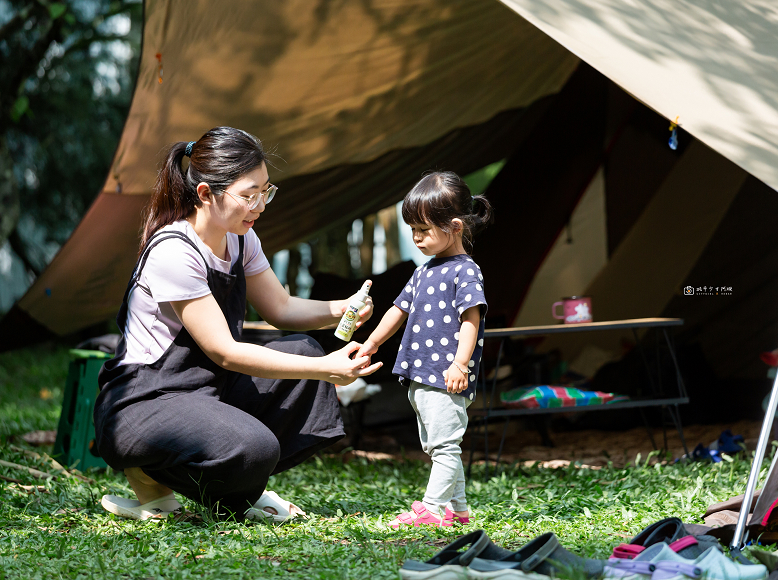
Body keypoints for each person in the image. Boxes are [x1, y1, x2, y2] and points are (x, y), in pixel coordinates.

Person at [94, 126, 382, 522]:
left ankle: (236, 486)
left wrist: (341, 307)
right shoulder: (174, 252)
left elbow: (280, 308)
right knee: (257, 445)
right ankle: (153, 472)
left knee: (303, 352)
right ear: (206, 194)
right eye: (248, 195)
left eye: (265, 191)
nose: (260, 205)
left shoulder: (242, 239)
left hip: (204, 390)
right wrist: (328, 370)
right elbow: (224, 351)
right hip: (144, 403)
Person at [356, 171, 492, 528]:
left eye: (424, 230)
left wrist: (460, 364)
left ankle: (432, 509)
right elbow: (397, 310)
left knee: (445, 447)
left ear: (456, 227)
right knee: (438, 446)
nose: (416, 238)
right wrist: (372, 342)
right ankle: (458, 511)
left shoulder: (466, 271)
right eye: (413, 230)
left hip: (447, 376)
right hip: (421, 373)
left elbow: (471, 319)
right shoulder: (424, 271)